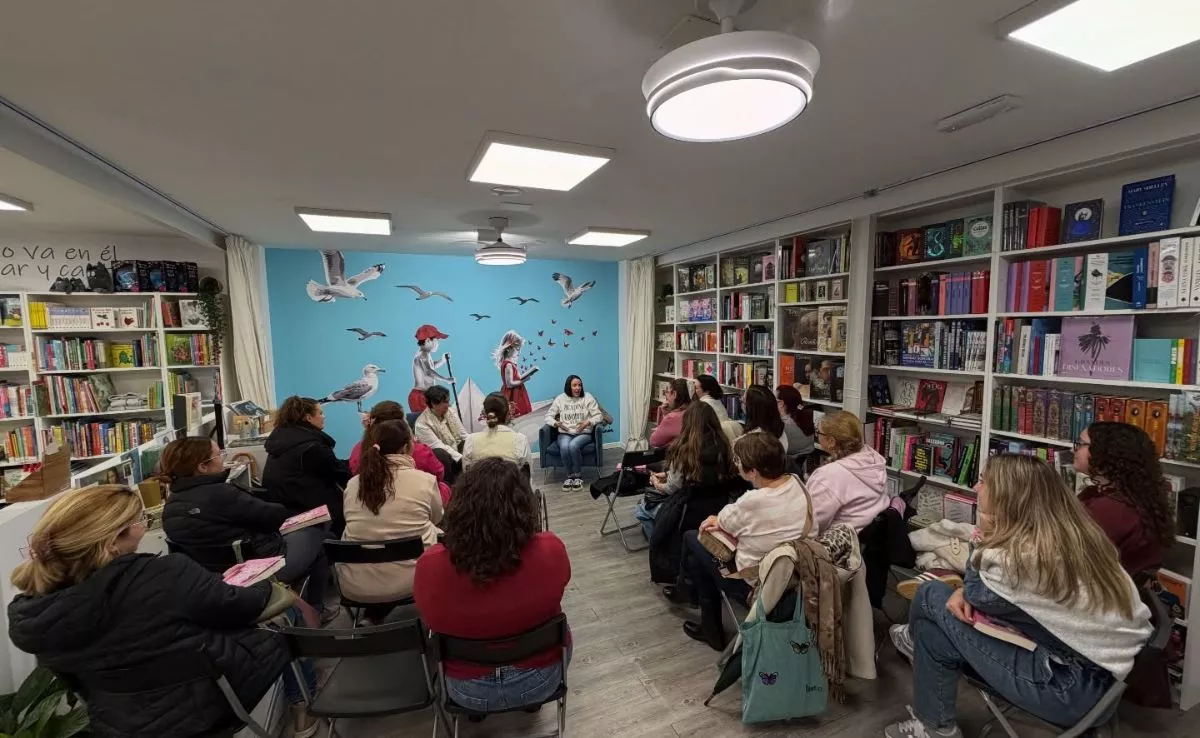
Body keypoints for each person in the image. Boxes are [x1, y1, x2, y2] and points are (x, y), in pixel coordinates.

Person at [7, 485, 322, 738]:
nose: (144, 524)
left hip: (117, 720)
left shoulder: (33, 617)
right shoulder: (163, 576)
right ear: (111, 541)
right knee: (286, 617)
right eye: (139, 519)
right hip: (212, 700)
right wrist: (265, 586)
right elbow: (246, 606)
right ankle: (301, 710)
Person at [885, 454, 1153, 738]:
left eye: (983, 482)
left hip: (1069, 688)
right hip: (1099, 678)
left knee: (929, 594)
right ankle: (935, 725)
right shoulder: (1075, 535)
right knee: (932, 631)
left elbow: (977, 595)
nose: (976, 488)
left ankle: (909, 641)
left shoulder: (1022, 557)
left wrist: (982, 535)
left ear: (1007, 498)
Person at [414, 459, 571, 713]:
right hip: (541, 681)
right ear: (524, 505)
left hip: (467, 692)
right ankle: (530, 704)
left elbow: (431, 618)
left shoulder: (429, 565)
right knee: (559, 617)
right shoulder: (551, 549)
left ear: (458, 507)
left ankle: (478, 715)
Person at [160, 436, 335, 621]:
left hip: (213, 578)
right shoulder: (222, 494)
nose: (223, 458)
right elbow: (274, 516)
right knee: (318, 535)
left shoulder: (170, 506)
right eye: (219, 455)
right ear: (202, 467)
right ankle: (315, 611)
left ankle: (305, 607)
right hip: (261, 567)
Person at [682, 432, 814, 650]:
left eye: (738, 461)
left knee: (692, 538)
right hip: (800, 573)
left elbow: (725, 519)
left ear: (752, 471)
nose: (736, 464)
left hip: (756, 583)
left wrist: (718, 519)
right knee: (699, 562)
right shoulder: (797, 482)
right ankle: (699, 609)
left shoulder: (753, 501)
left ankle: (700, 611)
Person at [341, 420, 443, 622]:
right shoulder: (424, 481)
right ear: (406, 447)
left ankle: (373, 614)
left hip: (356, 584)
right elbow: (437, 517)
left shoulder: (353, 484)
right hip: (414, 579)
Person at [1074, 422, 1174, 576]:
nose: (1073, 449)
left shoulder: (1110, 509)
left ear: (1106, 452)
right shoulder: (1131, 495)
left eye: (1081, 444)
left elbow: (1070, 555)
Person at [635, 401, 735, 540]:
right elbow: (701, 473)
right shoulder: (724, 445)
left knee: (641, 509)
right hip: (718, 507)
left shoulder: (684, 450)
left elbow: (672, 488)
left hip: (686, 510)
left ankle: (662, 548)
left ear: (687, 422)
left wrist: (657, 483)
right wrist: (668, 474)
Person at [261, 396, 352, 534]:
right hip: (307, 513)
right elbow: (342, 474)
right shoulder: (311, 447)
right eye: (320, 413)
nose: (324, 417)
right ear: (308, 418)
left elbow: (331, 465)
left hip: (285, 507)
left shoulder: (284, 438)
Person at [350, 400, 451, 504]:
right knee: (443, 486)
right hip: (414, 503)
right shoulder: (418, 451)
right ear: (399, 424)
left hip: (371, 503)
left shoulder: (359, 450)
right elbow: (438, 473)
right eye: (405, 419)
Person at [805, 410, 888, 533]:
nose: (817, 435)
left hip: (840, 544)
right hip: (868, 538)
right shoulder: (873, 459)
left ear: (831, 441)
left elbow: (812, 525)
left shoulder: (828, 476)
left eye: (819, 432)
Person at [543, 375, 603, 490]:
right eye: (574, 385)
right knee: (565, 446)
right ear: (568, 386)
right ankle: (570, 476)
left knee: (573, 445)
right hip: (564, 433)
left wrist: (587, 422)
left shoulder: (588, 397)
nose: (577, 388)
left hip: (583, 433)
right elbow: (548, 416)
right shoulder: (560, 399)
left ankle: (578, 475)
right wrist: (557, 424)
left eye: (579, 385)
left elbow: (599, 416)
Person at [413, 385, 468, 485]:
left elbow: (463, 435)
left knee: (466, 443)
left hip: (456, 451)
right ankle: (448, 486)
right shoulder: (422, 425)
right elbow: (439, 446)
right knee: (440, 453)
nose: (448, 405)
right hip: (443, 458)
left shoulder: (450, 411)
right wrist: (463, 459)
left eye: (448, 401)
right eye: (445, 402)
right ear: (433, 404)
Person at [463, 392, 531, 468]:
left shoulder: (470, 441)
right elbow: (527, 476)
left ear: (485, 414)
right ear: (508, 414)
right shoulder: (520, 440)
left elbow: (467, 473)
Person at [408, 324, 454, 413]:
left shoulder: (426, 354)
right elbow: (429, 371)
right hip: (420, 396)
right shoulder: (421, 355)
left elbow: (431, 366)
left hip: (425, 395)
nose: (438, 344)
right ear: (428, 340)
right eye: (437, 341)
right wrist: (446, 379)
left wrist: (442, 360)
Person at [494, 330, 536, 419]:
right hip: (513, 394)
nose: (519, 352)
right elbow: (509, 384)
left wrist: (525, 375)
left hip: (517, 392)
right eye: (517, 349)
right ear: (508, 348)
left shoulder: (511, 363)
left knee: (517, 414)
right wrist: (523, 380)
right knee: (516, 413)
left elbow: (516, 377)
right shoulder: (508, 365)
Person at [694, 374, 743, 442]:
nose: (694, 391)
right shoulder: (717, 401)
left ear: (707, 391)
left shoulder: (703, 405)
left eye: (696, 388)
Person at [742, 384, 788, 452]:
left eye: (743, 401)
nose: (741, 402)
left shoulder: (753, 439)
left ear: (752, 409)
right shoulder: (779, 428)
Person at [649, 378, 691, 448]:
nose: (666, 397)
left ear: (674, 394)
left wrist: (666, 416)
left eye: (667, 392)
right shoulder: (695, 410)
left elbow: (654, 441)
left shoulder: (672, 417)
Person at [776, 384, 815, 459]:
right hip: (803, 462)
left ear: (781, 403)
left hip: (789, 463)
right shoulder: (806, 417)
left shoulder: (783, 424)